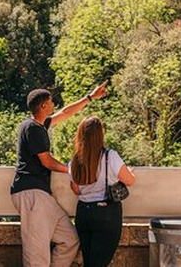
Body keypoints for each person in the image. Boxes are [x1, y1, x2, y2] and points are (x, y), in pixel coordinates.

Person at [10, 82, 108, 267]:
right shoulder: (32, 128)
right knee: (37, 257)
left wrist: (90, 97)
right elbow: (46, 161)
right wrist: (71, 169)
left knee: (70, 240)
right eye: (51, 101)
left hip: (42, 196)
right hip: (31, 194)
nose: (54, 104)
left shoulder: (40, 125)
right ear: (44, 106)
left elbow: (66, 113)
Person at [69, 116, 136, 267]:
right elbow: (130, 181)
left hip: (83, 213)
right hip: (106, 214)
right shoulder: (109, 156)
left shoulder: (75, 160)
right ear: (100, 134)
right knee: (99, 262)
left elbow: (76, 189)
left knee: (89, 260)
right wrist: (130, 172)